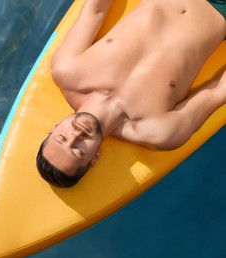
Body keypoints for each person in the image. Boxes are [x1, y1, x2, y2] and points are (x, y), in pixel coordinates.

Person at [36, 0, 226, 188]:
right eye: (77, 151)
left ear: (54, 128)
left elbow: (96, 9)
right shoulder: (159, 132)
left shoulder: (67, 70)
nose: (76, 136)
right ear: (94, 158)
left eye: (62, 138)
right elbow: (217, 91)